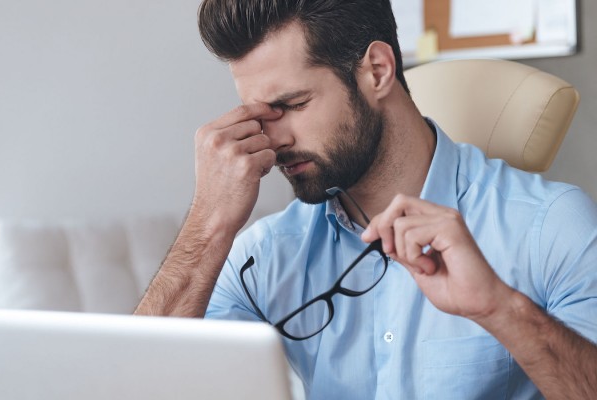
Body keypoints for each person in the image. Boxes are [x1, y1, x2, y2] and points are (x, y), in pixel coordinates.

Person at [135, 0, 597, 398]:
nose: (273, 140)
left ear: (377, 71)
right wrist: (209, 222)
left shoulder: (549, 226)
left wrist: (500, 309)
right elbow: (137, 387)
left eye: (292, 105)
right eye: (259, 115)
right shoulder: (265, 256)